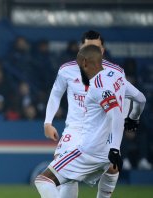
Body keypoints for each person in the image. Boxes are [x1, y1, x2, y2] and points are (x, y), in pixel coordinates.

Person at [43, 30, 146, 198]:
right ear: (80, 49)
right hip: (75, 128)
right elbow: (55, 94)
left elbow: (125, 97)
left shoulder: (116, 72)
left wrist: (127, 119)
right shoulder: (66, 70)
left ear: (102, 51)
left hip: (100, 130)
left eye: (96, 48)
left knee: (112, 168)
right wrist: (48, 122)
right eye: (88, 47)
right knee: (64, 172)